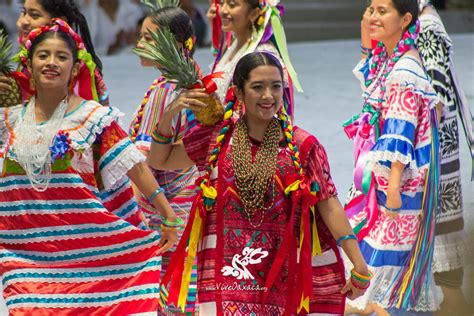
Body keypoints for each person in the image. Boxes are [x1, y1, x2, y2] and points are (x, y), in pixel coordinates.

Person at [148, 51, 370, 315]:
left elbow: (328, 204)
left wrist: (359, 264)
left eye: (276, 86)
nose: (268, 96)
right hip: (226, 272)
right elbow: (160, 160)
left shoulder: (302, 146)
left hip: (280, 271)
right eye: (257, 87)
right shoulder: (216, 139)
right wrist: (168, 115)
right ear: (238, 92)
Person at [0, 19, 178, 314]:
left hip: (89, 256)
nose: (51, 62)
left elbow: (135, 166)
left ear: (74, 68)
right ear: (28, 65)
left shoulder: (92, 118)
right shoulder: (8, 121)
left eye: (61, 56)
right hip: (25, 255)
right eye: (43, 55)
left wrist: (168, 215)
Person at [343, 0, 442, 314]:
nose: (372, 16)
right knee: (374, 263)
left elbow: (402, 129)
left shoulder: (403, 70)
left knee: (383, 265)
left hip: (396, 184)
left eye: (382, 11)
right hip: (382, 177)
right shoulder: (387, 57)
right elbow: (369, 72)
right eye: (370, 9)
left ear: (406, 19)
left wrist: (395, 189)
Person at [129, 5, 199, 315]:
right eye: (140, 36)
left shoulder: (171, 91)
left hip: (170, 209)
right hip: (178, 205)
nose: (139, 45)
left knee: (176, 297)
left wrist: (161, 214)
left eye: (148, 38)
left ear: (174, 44)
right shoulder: (182, 84)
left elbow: (152, 163)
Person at [417, 1, 472, 314]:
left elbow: (436, 93)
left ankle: (452, 299)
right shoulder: (427, 22)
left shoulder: (426, 26)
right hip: (434, 132)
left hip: (433, 136)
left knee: (440, 215)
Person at [0, 0, 109, 106]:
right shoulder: (25, 60)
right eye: (23, 12)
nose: (23, 21)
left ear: (59, 21)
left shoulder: (77, 68)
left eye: (34, 15)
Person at [206, 0, 301, 117]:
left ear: (254, 14)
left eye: (232, 5)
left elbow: (269, 108)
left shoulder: (262, 54)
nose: (223, 10)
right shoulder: (233, 45)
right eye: (221, 3)